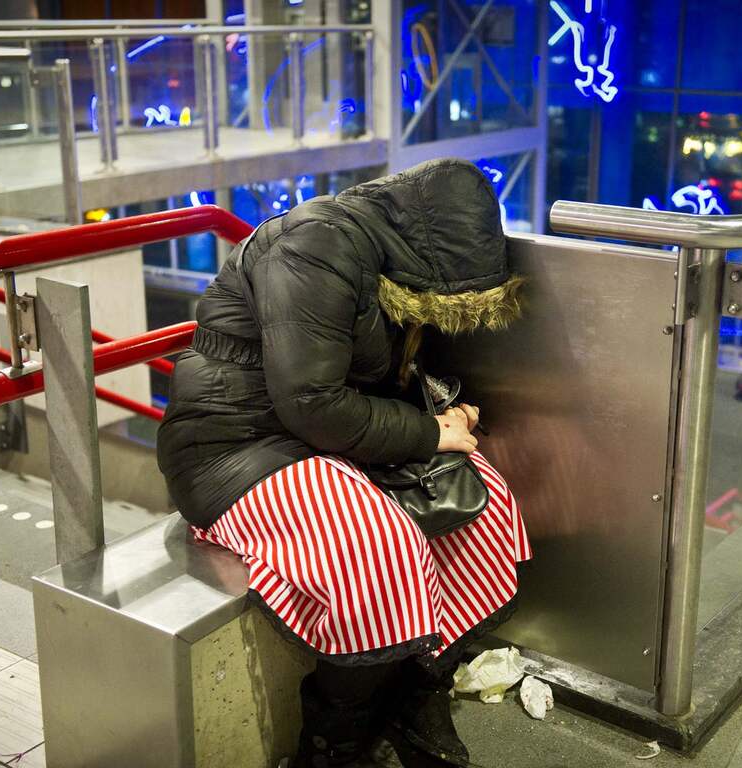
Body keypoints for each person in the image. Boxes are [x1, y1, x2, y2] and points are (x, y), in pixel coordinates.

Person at [156, 158, 531, 767]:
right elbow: (313, 402)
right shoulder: (314, 245)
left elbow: (366, 385)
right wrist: (426, 432)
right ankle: (335, 742)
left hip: (321, 441)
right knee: (377, 545)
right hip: (233, 445)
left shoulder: (392, 264)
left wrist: (445, 419)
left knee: (485, 507)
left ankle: (413, 693)